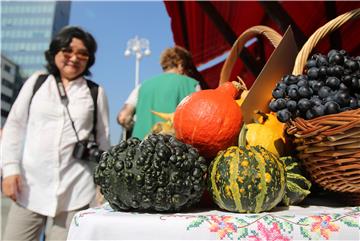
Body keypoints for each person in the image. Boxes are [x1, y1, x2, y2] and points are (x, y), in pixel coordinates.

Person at [1, 26, 110, 241]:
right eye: (67, 50)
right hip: (30, 186)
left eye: (82, 53)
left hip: (76, 188)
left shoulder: (95, 92)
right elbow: (14, 126)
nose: (74, 58)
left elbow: (103, 139)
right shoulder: (37, 82)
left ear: (89, 59)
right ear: (55, 53)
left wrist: (104, 184)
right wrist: (10, 169)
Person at [117, 46, 207, 140]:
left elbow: (123, 117)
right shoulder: (192, 84)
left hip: (139, 149)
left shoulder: (142, 86)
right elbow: (202, 120)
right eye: (189, 70)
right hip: (175, 150)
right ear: (181, 65)